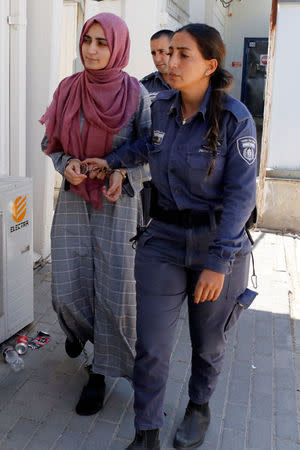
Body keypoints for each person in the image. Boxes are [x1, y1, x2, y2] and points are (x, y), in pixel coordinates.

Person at [83, 23, 258, 449]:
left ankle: (199, 405)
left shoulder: (236, 120)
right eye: (168, 53)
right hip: (161, 241)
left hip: (219, 245)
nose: (170, 62)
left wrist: (219, 264)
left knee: (207, 342)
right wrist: (110, 163)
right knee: (153, 345)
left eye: (183, 55)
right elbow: (145, 146)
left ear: (210, 65)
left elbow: (240, 197)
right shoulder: (160, 106)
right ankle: (147, 433)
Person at [40, 12, 151, 416]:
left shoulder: (137, 94)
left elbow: (150, 149)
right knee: (65, 287)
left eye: (103, 42)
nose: (92, 49)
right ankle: (79, 331)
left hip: (117, 202)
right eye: (88, 39)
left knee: (114, 289)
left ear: (118, 46)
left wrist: (121, 170)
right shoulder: (68, 89)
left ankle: (99, 372)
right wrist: (65, 162)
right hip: (74, 199)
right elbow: (49, 142)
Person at [140, 29, 173, 100]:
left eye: (161, 52)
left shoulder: (193, 84)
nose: (157, 59)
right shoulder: (143, 88)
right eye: (153, 53)